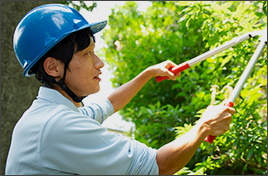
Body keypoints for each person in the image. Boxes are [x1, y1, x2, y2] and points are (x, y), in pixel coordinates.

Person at [6, 3, 235, 175]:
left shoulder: (53, 114)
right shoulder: (58, 126)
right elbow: (158, 166)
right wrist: (204, 126)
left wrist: (147, 74)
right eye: (87, 54)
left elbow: (109, 104)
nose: (99, 62)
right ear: (53, 67)